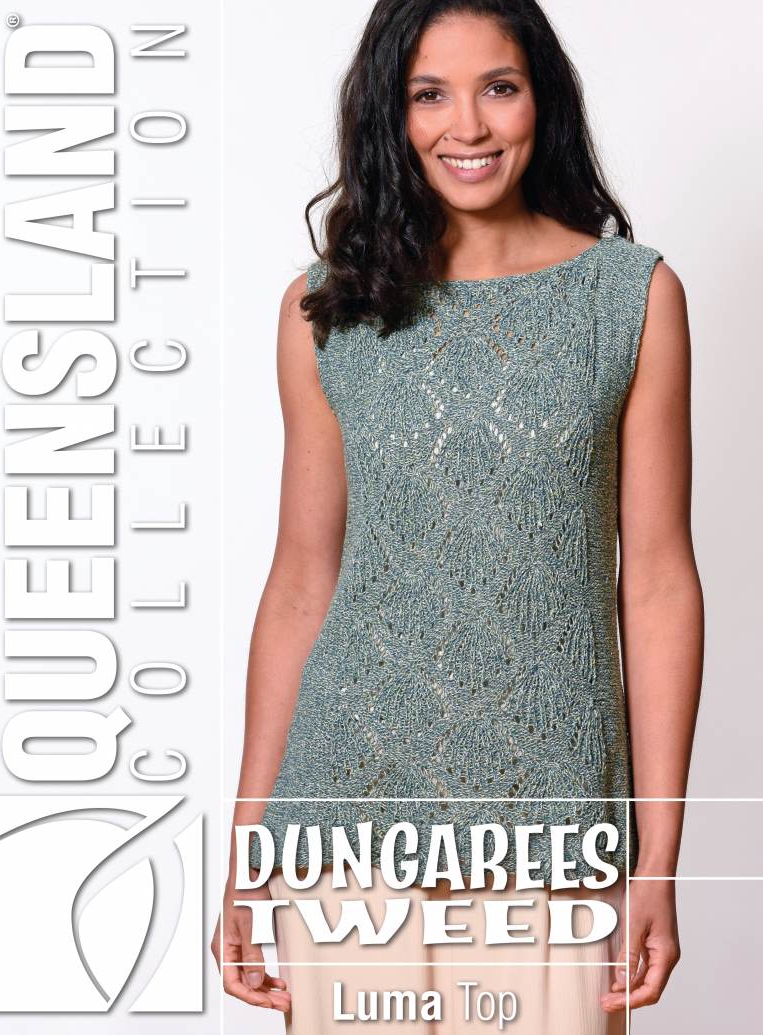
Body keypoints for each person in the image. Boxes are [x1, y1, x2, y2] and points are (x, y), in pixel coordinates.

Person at [212, 1, 703, 1031]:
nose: (466, 126)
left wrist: (655, 858)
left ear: (541, 99)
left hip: (553, 823)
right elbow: (300, 584)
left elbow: (657, 584)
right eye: (427, 94)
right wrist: (250, 852)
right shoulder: (327, 311)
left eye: (498, 87)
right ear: (389, 115)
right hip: (343, 820)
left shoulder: (630, 298)